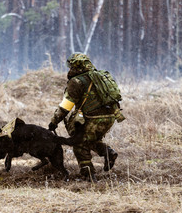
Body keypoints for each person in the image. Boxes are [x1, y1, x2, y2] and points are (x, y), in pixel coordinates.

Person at [48, 53, 125, 182]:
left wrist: (54, 121)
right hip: (110, 116)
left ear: (75, 66)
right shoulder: (101, 76)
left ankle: (88, 174)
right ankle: (108, 153)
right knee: (90, 140)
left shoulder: (77, 82)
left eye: (71, 66)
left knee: (79, 144)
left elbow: (66, 106)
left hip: (92, 118)